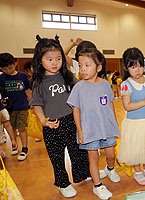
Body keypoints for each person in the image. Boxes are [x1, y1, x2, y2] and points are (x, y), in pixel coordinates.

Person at [30, 35, 91, 198]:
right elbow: (37, 104)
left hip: (71, 120)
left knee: (78, 151)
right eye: (49, 59)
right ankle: (64, 183)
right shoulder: (39, 81)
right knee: (56, 157)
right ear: (40, 60)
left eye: (58, 58)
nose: (55, 63)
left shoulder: (67, 75)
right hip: (52, 124)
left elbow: (80, 89)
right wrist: (43, 121)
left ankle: (83, 174)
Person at [67, 48, 121, 199]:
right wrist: (80, 131)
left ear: (98, 67)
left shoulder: (105, 84)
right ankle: (97, 186)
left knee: (111, 154)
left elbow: (111, 105)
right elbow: (75, 111)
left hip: (106, 127)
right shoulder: (78, 87)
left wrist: (114, 124)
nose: (82, 69)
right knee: (94, 158)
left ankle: (110, 169)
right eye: (80, 65)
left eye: (87, 65)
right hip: (89, 128)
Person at [117, 47, 145, 186]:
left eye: (140, 66)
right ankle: (138, 172)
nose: (138, 70)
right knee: (135, 149)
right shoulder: (125, 85)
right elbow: (127, 106)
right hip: (134, 123)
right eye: (133, 67)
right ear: (125, 67)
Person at [0, 53, 31, 161]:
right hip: (9, 108)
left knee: (22, 128)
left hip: (22, 106)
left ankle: (25, 148)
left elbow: (27, 90)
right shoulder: (1, 78)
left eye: (10, 68)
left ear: (15, 64)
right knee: (11, 128)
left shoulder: (22, 76)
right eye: (4, 69)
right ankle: (14, 145)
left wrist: (31, 103)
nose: (8, 71)